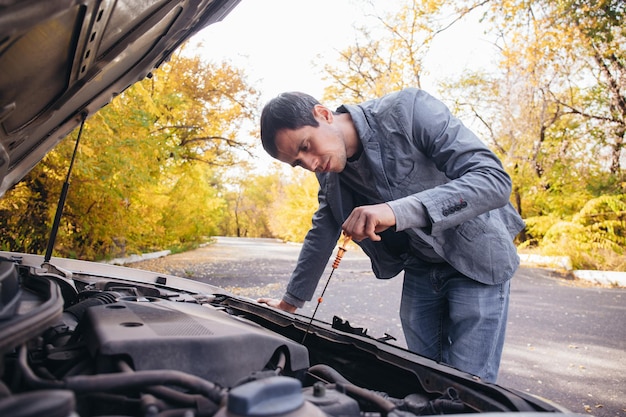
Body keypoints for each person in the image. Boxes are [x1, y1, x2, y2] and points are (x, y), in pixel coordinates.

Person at [256, 88, 525, 383]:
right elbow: (322, 230)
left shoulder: (408, 110)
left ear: (323, 114)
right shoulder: (329, 170)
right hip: (420, 269)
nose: (310, 164)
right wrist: (289, 304)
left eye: (306, 146)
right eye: (297, 162)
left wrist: (395, 212)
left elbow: (493, 180)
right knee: (423, 381)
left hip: (477, 259)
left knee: (468, 388)